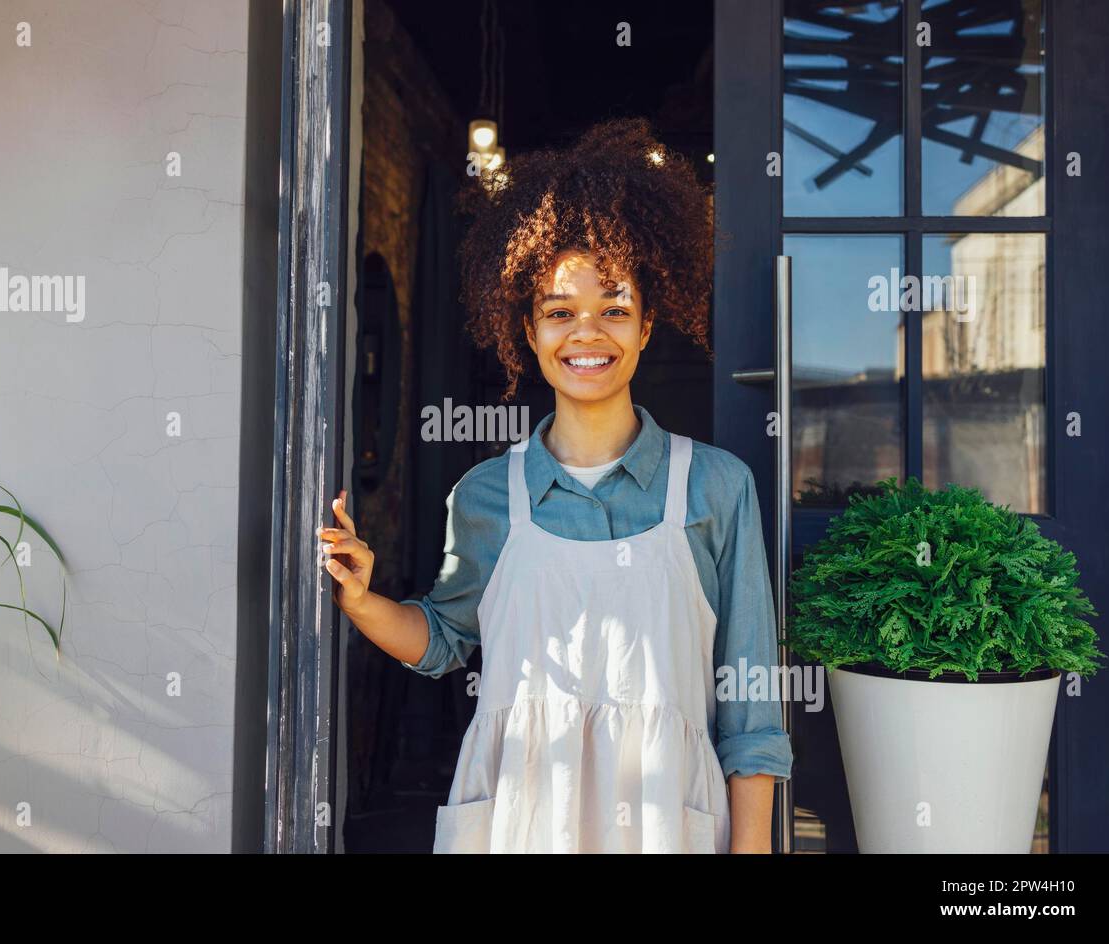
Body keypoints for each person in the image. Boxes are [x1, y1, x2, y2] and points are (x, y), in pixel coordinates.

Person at [317, 117, 792, 853]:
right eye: (559, 313)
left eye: (614, 310)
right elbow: (443, 640)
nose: (587, 334)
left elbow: (751, 697)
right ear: (528, 330)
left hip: (670, 821)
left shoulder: (716, 487)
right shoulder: (486, 495)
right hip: (521, 821)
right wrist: (361, 599)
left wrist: (753, 846)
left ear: (646, 325)